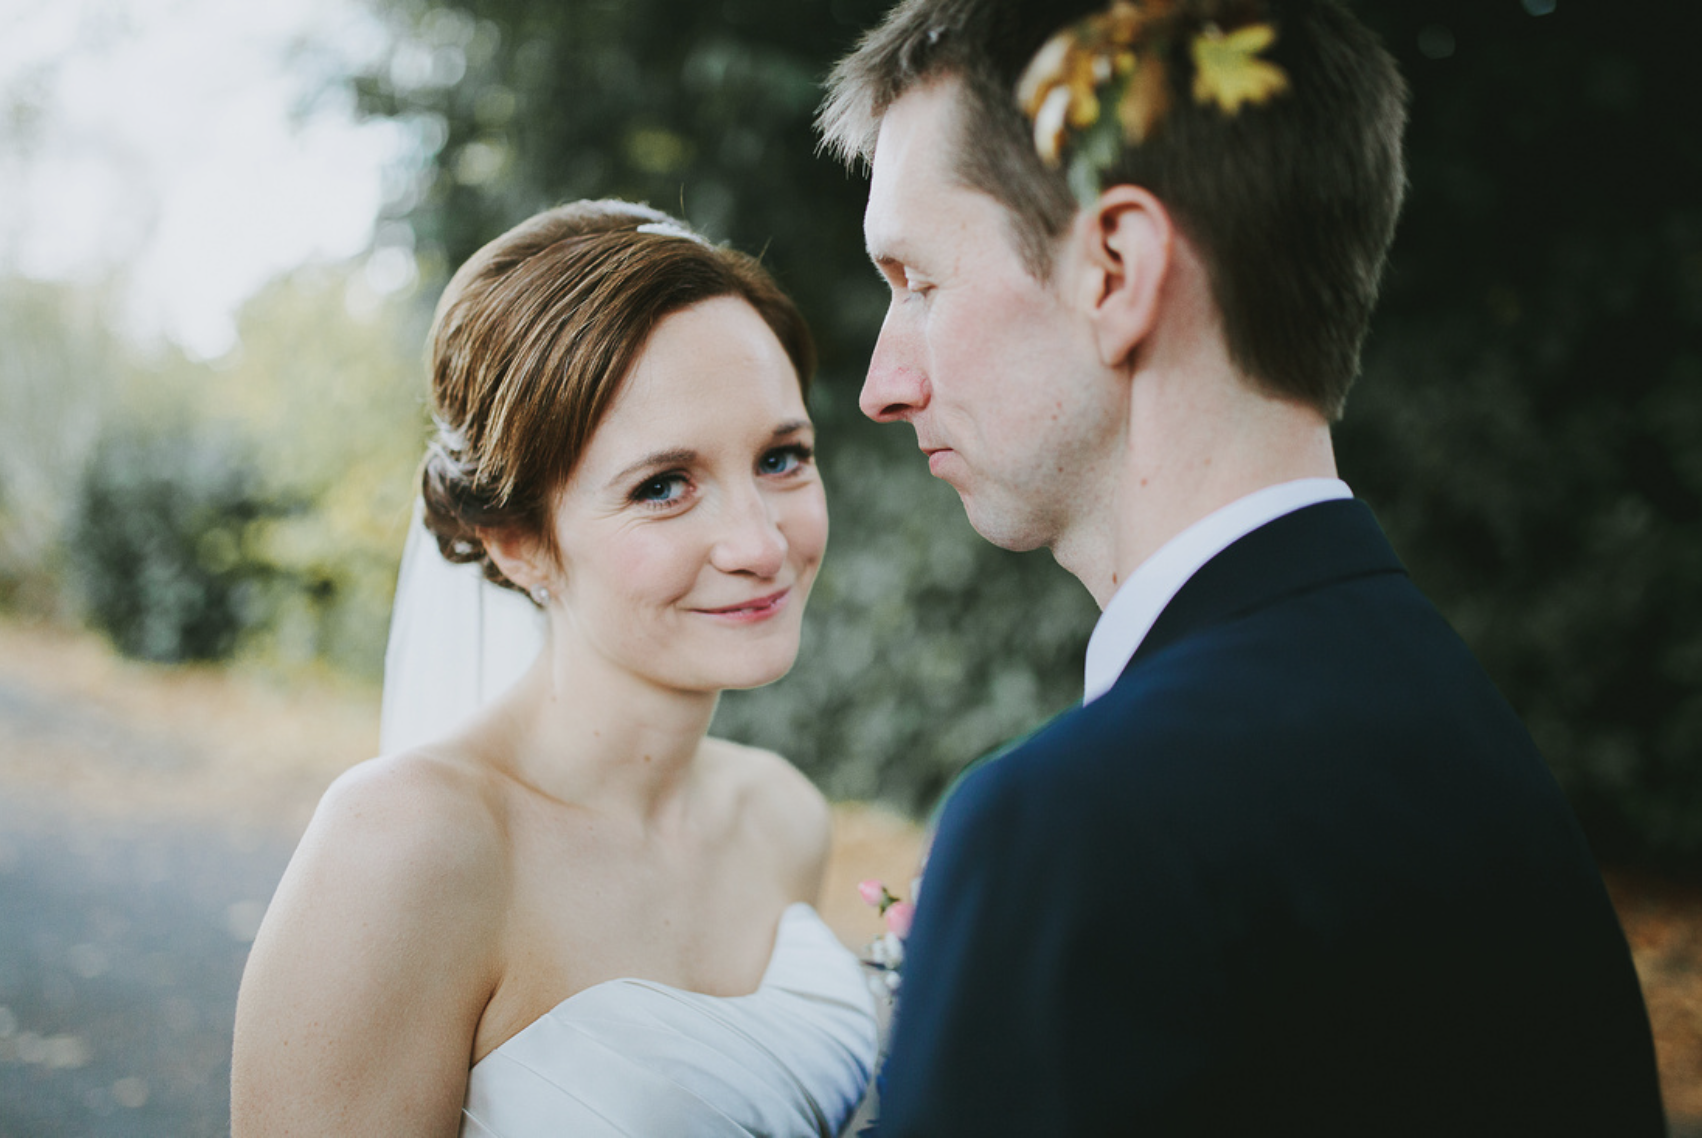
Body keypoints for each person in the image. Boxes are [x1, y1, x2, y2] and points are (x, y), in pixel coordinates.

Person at [819, 0, 1665, 1133]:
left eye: (917, 280)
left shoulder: (1074, 831)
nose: (883, 381)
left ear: (1113, 269)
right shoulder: (1485, 762)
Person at [231, 200, 877, 1138]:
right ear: (518, 542)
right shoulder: (406, 848)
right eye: (664, 486)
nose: (759, 542)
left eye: (782, 458)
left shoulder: (784, 817)